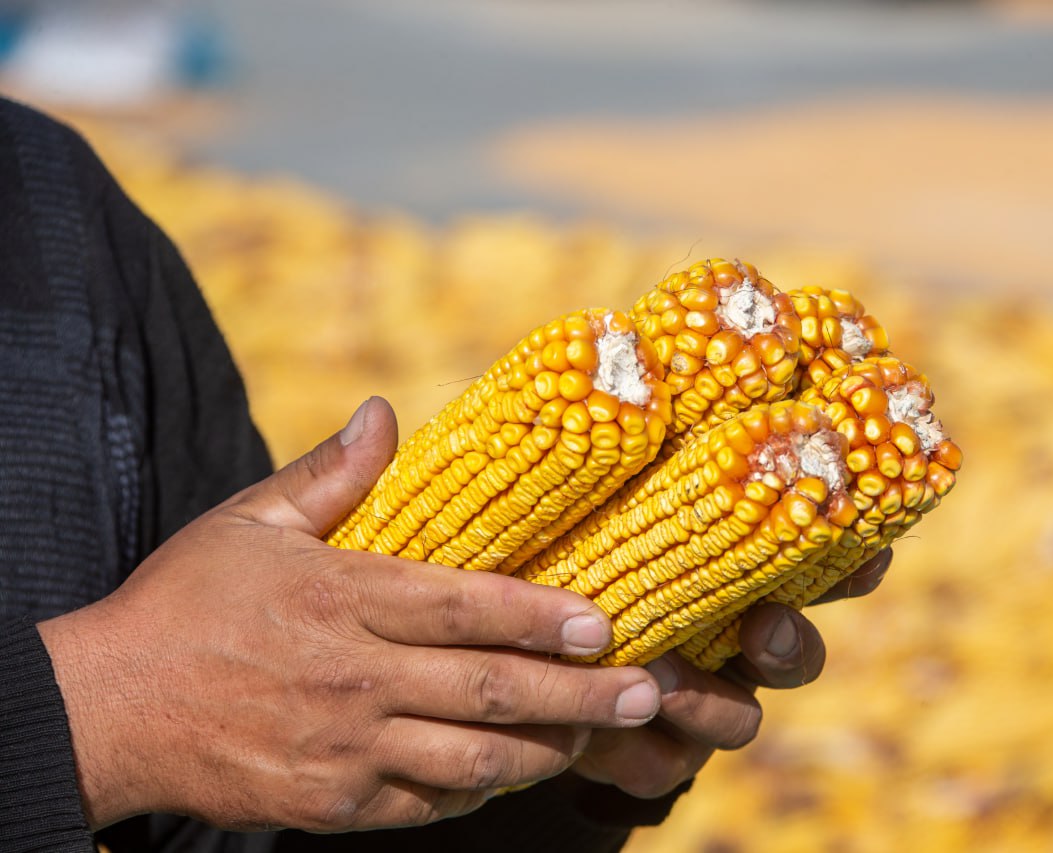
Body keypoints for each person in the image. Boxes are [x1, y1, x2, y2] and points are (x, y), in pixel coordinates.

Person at [0, 95, 892, 853]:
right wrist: (100, 719)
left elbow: (229, 811)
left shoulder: (57, 212)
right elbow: (164, 712)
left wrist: (530, 750)